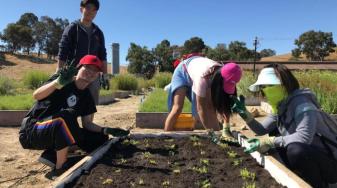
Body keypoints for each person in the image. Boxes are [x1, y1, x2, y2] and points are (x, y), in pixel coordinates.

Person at [19, 55, 129, 178]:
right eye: (87, 68)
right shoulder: (63, 79)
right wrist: (57, 82)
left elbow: (87, 124)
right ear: (78, 68)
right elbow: (36, 95)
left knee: (99, 138)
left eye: (95, 70)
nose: (91, 72)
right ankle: (60, 168)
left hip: (56, 129)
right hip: (33, 130)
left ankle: (51, 155)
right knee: (67, 115)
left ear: (98, 75)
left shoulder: (87, 96)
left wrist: (106, 130)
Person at [231, 63, 337, 187]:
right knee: (276, 134)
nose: (265, 90)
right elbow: (261, 130)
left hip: (329, 160)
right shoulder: (281, 105)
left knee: (295, 150)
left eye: (270, 86)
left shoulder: (302, 104)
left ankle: (321, 184)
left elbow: (304, 137)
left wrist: (270, 141)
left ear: (284, 85)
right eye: (263, 87)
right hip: (311, 156)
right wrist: (246, 115)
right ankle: (298, 173)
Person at [164, 55, 242, 134]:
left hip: (199, 71)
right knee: (177, 107)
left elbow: (225, 103)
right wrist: (211, 134)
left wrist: (226, 128)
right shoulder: (203, 78)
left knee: (210, 106)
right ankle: (166, 135)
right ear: (218, 79)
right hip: (182, 71)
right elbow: (201, 108)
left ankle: (216, 133)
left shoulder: (228, 74)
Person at [57, 0, 108, 106]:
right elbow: (63, 50)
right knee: (70, 104)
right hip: (73, 73)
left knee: (90, 104)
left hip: (93, 74)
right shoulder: (72, 28)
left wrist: (105, 75)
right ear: (81, 9)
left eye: (94, 10)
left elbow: (103, 55)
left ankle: (88, 123)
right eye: (88, 7)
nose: (91, 12)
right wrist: (59, 71)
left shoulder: (98, 32)